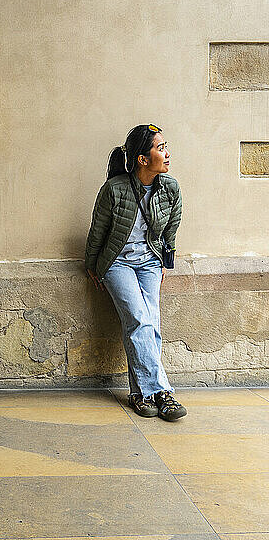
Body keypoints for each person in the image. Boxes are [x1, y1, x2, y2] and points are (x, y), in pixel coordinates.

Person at [84, 124, 187, 421]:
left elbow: (171, 228)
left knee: (149, 322)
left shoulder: (170, 188)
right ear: (142, 159)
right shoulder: (114, 189)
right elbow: (98, 230)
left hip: (150, 263)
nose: (167, 154)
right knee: (139, 319)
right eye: (160, 148)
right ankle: (162, 392)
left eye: (166, 146)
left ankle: (140, 394)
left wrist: (165, 259)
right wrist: (92, 265)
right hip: (118, 263)